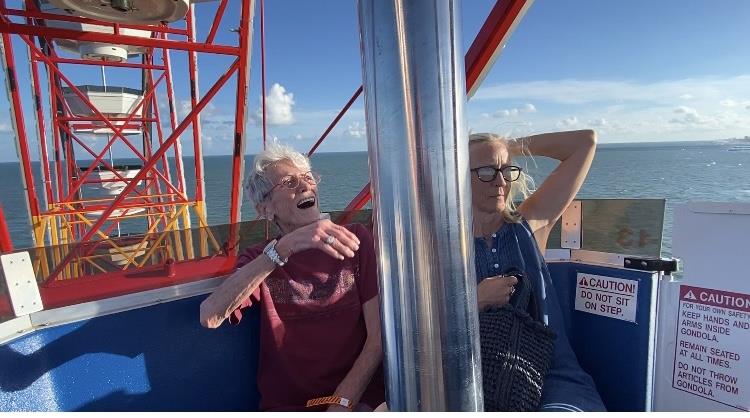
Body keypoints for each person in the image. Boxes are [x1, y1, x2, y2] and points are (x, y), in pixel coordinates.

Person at [199, 143, 385, 412]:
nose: (304, 186)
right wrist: (282, 249)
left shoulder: (354, 239)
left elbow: (377, 339)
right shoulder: (259, 259)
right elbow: (210, 315)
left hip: (355, 401)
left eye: (308, 177)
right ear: (266, 210)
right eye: (289, 182)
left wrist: (339, 406)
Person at [469, 130, 606, 412]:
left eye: (506, 170)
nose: (500, 181)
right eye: (485, 171)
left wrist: (507, 147)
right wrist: (474, 301)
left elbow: (584, 143)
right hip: (477, 383)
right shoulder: (441, 247)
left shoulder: (529, 224)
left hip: (550, 378)